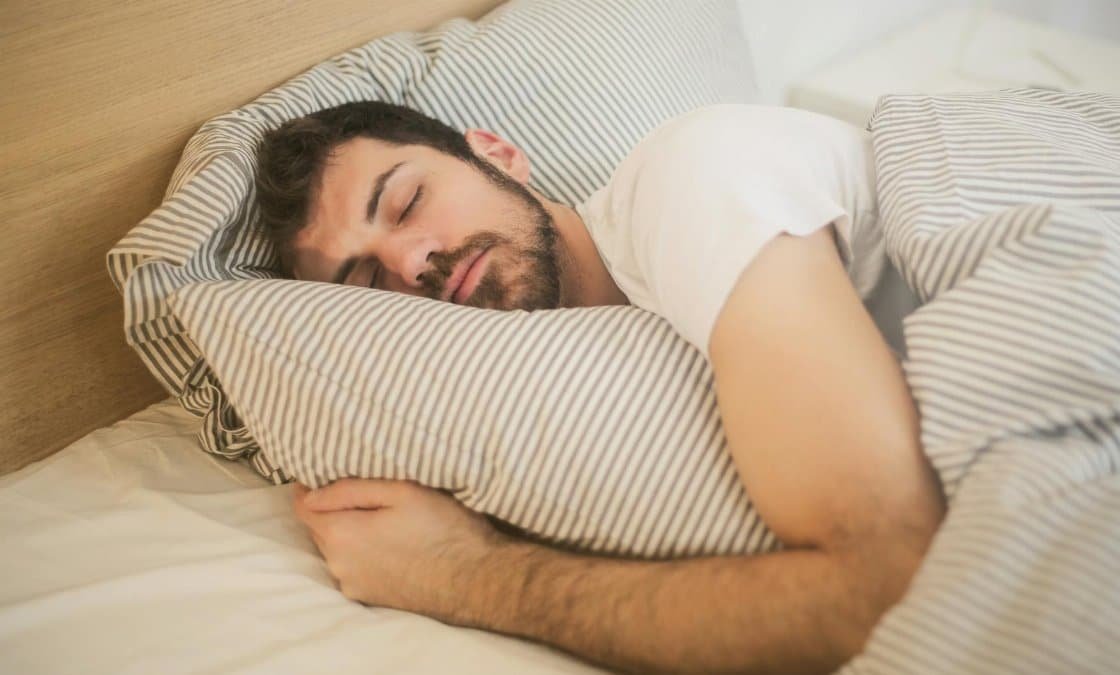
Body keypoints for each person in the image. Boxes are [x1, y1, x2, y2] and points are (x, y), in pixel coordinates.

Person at [256, 100, 946, 674]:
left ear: (496, 154)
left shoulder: (692, 181)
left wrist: (462, 574)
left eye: (407, 202)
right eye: (369, 282)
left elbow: (889, 588)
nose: (411, 262)